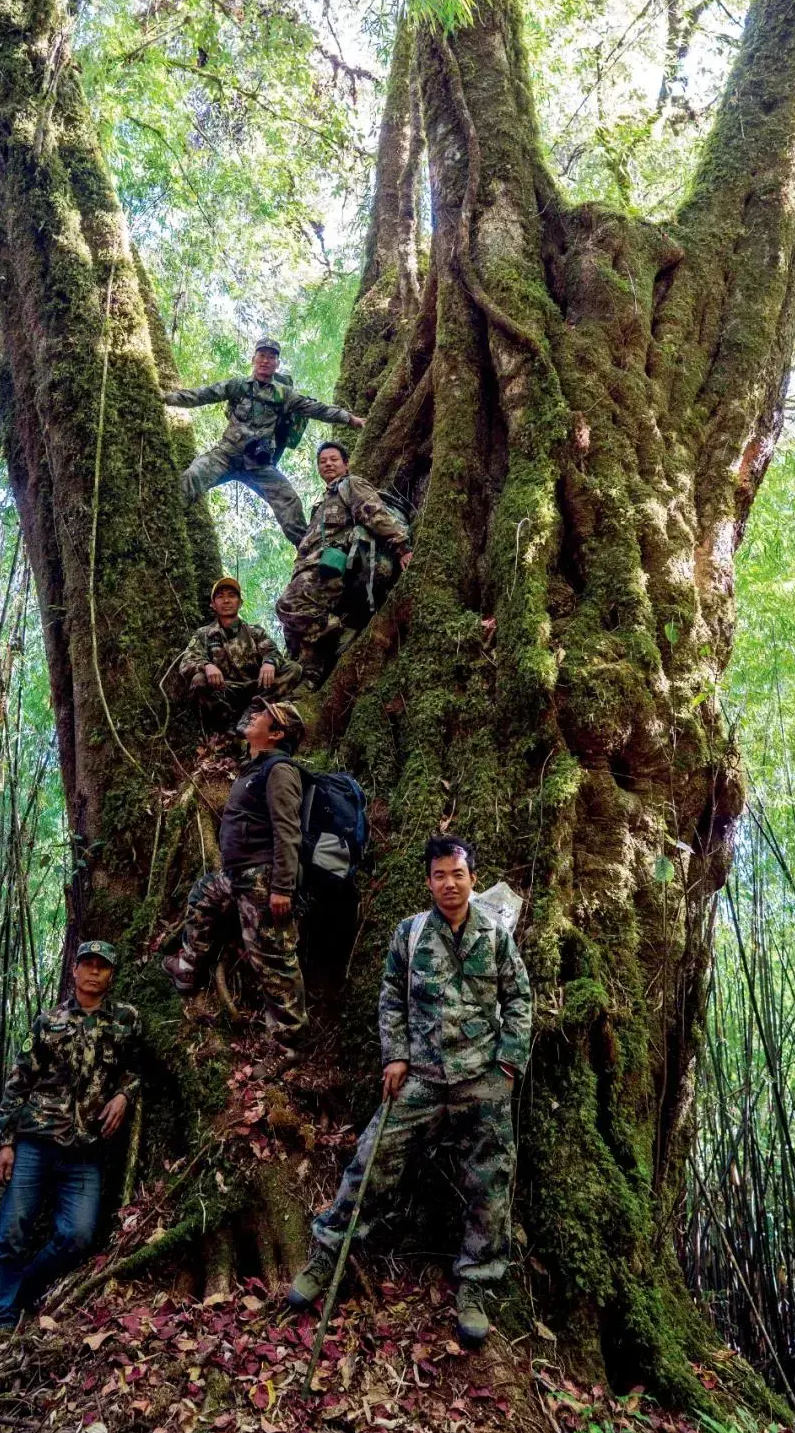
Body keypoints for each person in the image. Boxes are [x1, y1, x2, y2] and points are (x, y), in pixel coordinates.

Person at [287, 835, 531, 1348]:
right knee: (371, 1161)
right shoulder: (411, 933)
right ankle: (327, 1256)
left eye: (458, 874)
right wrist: (394, 1055)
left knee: (490, 1183)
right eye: (439, 875)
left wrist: (508, 1062)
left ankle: (476, 1288)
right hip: (420, 1077)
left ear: (471, 878)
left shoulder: (495, 935)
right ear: (428, 882)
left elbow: (519, 997)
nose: (449, 884)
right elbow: (391, 996)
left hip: (480, 1079)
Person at [0, 941, 140, 1328]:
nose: (94, 971)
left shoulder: (126, 1019)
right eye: (87, 964)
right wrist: (6, 1142)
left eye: (102, 966)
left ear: (111, 974)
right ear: (75, 970)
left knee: (79, 1235)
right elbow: (18, 1082)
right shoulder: (48, 1021)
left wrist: (123, 1094)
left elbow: (136, 1068)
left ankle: (22, 1290)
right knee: (13, 1229)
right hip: (37, 1140)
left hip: (86, 1147)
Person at [163, 699, 308, 1059]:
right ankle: (187, 967)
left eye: (263, 716)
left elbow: (288, 832)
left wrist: (282, 888)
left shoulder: (280, 771)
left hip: (263, 880)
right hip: (236, 876)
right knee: (203, 895)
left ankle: (289, 1043)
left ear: (276, 734)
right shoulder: (254, 768)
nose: (254, 715)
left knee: (272, 959)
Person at [164, 337, 366, 547]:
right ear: (254, 359)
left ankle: (309, 551)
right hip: (224, 456)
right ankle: (163, 521)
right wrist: (165, 398)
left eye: (271, 357)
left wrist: (350, 419)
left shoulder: (283, 394)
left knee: (289, 501)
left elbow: (317, 409)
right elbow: (203, 395)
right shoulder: (238, 386)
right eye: (262, 355)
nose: (266, 361)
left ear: (277, 364)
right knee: (192, 476)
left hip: (259, 465)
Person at [275, 439, 412, 688]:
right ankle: (311, 678)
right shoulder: (321, 502)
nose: (327, 464)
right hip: (311, 569)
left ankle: (338, 628)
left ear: (346, 464)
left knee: (287, 605)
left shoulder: (351, 485)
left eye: (333, 460)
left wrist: (401, 546)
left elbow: (374, 513)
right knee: (295, 639)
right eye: (322, 461)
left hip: (331, 567)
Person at [178, 575, 302, 730]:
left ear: (240, 603)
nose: (226, 601)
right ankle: (226, 727)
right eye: (220, 597)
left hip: (257, 688)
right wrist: (206, 665)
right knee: (198, 681)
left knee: (293, 669)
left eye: (231, 596)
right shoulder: (204, 634)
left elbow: (273, 652)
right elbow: (186, 663)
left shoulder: (255, 632)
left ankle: (253, 711)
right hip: (226, 693)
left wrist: (269, 662)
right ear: (213, 605)